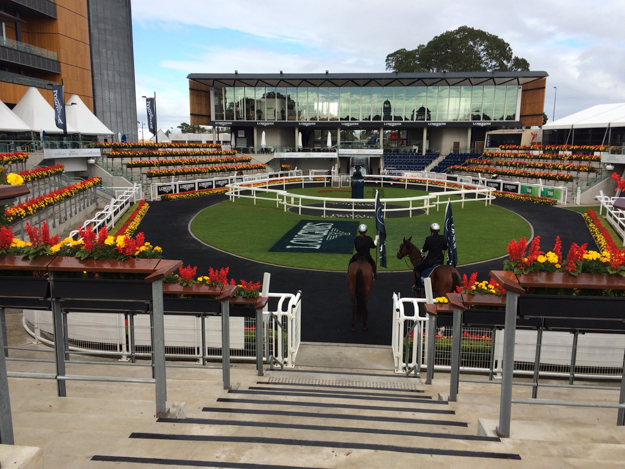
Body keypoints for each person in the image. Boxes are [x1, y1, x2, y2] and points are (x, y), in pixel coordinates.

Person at [413, 222, 448, 292]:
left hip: (430, 260)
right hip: (440, 260)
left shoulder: (428, 239)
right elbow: (445, 248)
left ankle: (418, 286)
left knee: (416, 269)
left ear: (431, 230)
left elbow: (424, 249)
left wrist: (422, 251)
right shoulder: (443, 238)